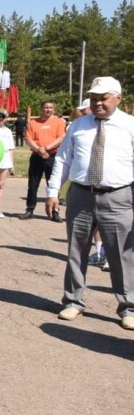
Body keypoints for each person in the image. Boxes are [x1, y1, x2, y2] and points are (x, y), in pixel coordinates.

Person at [46, 77, 134, 330]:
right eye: (94, 99)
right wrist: (53, 192)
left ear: (118, 98)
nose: (97, 103)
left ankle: (128, 306)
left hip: (118, 197)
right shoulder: (77, 125)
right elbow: (63, 160)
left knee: (121, 254)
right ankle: (73, 301)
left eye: (103, 98)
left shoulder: (130, 125)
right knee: (76, 250)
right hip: (80, 195)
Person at [22, 99, 66, 221]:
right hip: (37, 156)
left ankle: (55, 211)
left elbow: (61, 138)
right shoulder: (33, 122)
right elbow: (28, 139)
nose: (48, 110)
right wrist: (39, 150)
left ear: (54, 109)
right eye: (46, 107)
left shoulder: (59, 122)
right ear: (41, 109)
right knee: (32, 184)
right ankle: (29, 209)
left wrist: (46, 148)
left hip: (52, 156)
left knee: (53, 184)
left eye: (51, 107)